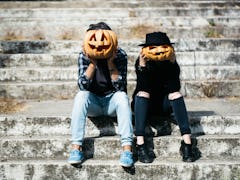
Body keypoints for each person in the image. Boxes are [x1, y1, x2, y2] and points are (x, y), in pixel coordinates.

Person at [68, 22, 133, 167]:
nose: (98, 44)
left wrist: (111, 63)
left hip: (112, 102)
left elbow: (120, 87)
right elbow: (83, 85)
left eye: (104, 40)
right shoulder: (84, 55)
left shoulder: (120, 55)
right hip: (94, 103)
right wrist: (92, 63)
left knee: (122, 97)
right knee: (81, 96)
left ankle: (127, 150)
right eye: (93, 40)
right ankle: (76, 148)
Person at [131, 32, 194, 163]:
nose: (158, 50)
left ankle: (187, 143)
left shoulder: (171, 63)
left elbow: (174, 87)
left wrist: (172, 64)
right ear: (145, 49)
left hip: (164, 105)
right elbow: (142, 87)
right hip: (146, 106)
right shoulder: (141, 62)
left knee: (176, 94)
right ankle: (140, 143)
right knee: (142, 93)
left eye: (162, 46)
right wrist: (142, 67)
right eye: (153, 47)